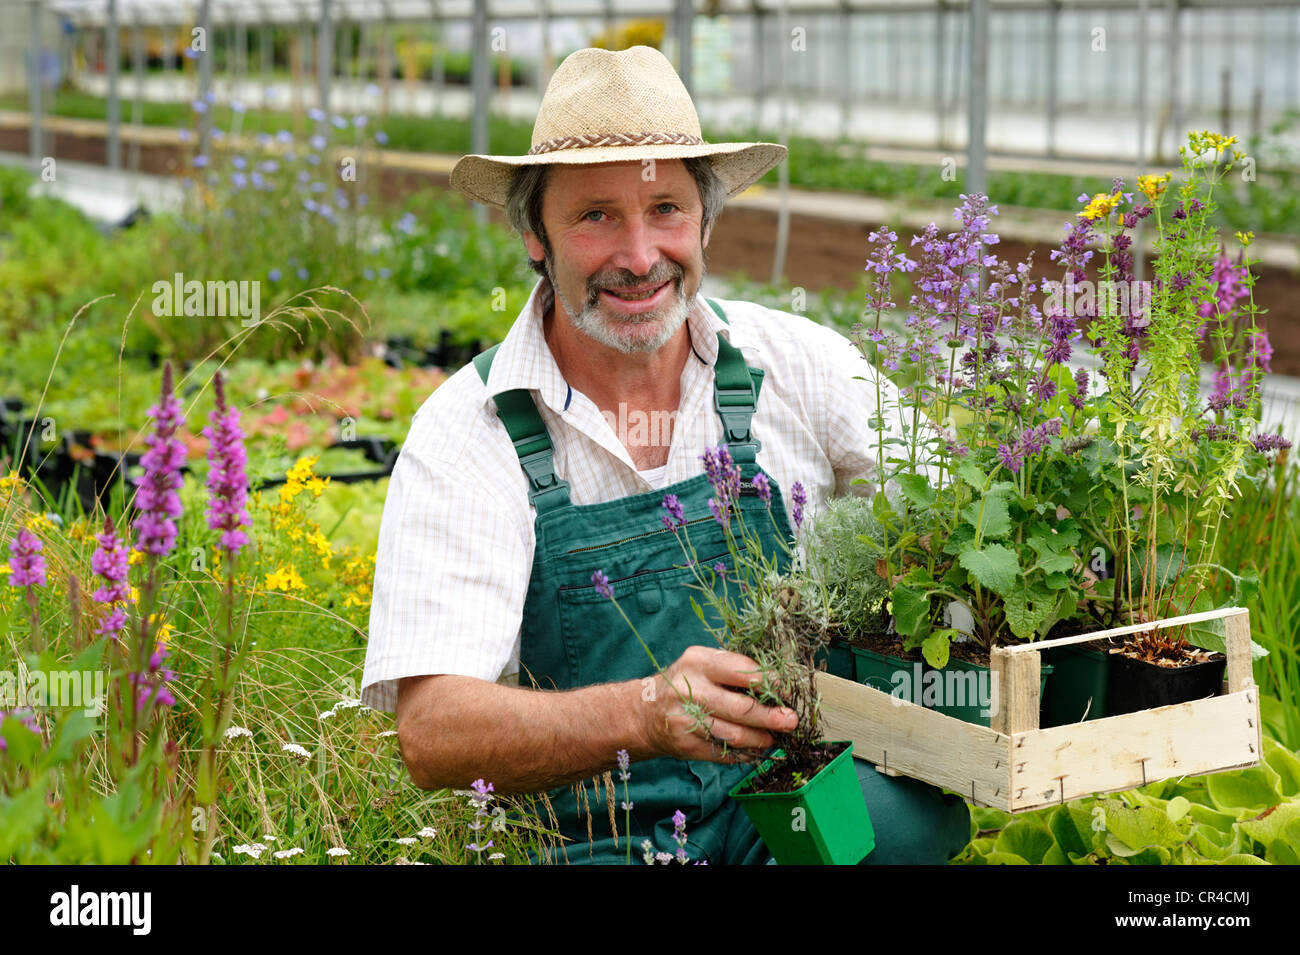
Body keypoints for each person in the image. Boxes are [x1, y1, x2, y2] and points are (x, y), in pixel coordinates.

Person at [360, 45, 970, 864]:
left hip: (786, 808)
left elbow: (956, 513)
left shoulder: (795, 364)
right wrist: (643, 711)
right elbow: (433, 731)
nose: (641, 256)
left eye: (668, 210)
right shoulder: (472, 432)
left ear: (707, 221)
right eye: (596, 215)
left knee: (896, 828)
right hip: (597, 842)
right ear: (536, 237)